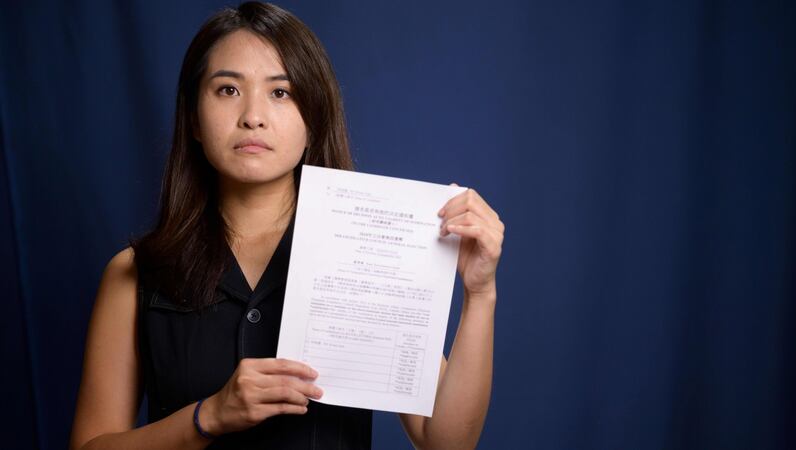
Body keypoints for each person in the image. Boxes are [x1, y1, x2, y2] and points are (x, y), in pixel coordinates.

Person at [69, 2, 504, 449]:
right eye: (227, 90)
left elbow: (446, 442)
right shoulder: (133, 272)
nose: (253, 116)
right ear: (194, 118)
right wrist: (208, 417)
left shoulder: (366, 255)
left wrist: (480, 295)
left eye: (281, 93)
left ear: (314, 116)